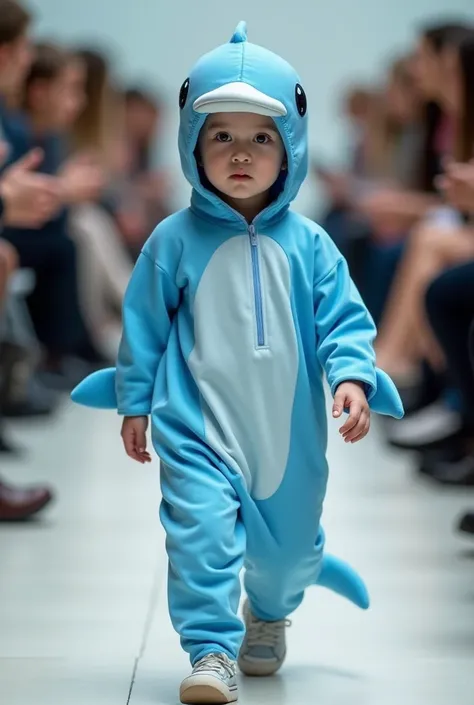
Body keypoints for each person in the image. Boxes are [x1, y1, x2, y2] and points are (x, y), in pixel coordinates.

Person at [71, 22, 403, 704]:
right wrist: (136, 399)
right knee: (199, 536)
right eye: (221, 135)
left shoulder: (310, 245)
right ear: (194, 143)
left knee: (283, 557)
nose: (242, 153)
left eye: (261, 137)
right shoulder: (172, 240)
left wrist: (351, 377)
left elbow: (345, 318)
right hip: (195, 426)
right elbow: (142, 327)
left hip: (288, 439)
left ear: (292, 148)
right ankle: (211, 650)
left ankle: (273, 607)